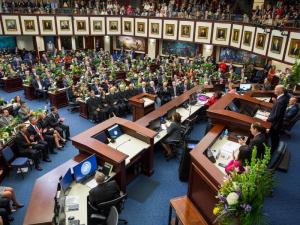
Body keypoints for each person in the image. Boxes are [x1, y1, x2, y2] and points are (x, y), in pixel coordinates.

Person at [267, 85, 289, 152]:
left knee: (274, 137)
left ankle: (272, 151)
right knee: (274, 137)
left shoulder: (280, 101)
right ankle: (274, 147)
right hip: (278, 122)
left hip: (276, 124)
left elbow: (276, 115)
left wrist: (267, 119)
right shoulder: (283, 97)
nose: (274, 90)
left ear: (281, 90)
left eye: (276, 89)